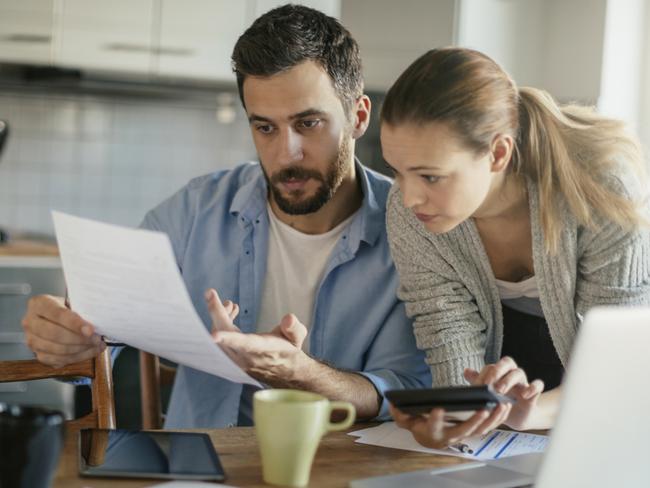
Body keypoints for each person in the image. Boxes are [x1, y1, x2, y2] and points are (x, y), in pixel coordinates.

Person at [20, 5, 430, 428]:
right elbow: (104, 331)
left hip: (338, 470)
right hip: (202, 465)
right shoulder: (198, 209)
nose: (285, 154)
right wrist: (69, 339)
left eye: (308, 123)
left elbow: (403, 390)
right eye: (265, 128)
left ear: (358, 116)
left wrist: (299, 374)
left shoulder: (414, 231)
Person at [380, 47, 650, 448]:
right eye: (397, 172)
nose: (409, 199)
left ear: (498, 153)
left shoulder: (598, 186)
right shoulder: (410, 217)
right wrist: (455, 415)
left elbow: (613, 369)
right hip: (520, 408)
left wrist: (532, 412)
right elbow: (447, 336)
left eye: (431, 177)